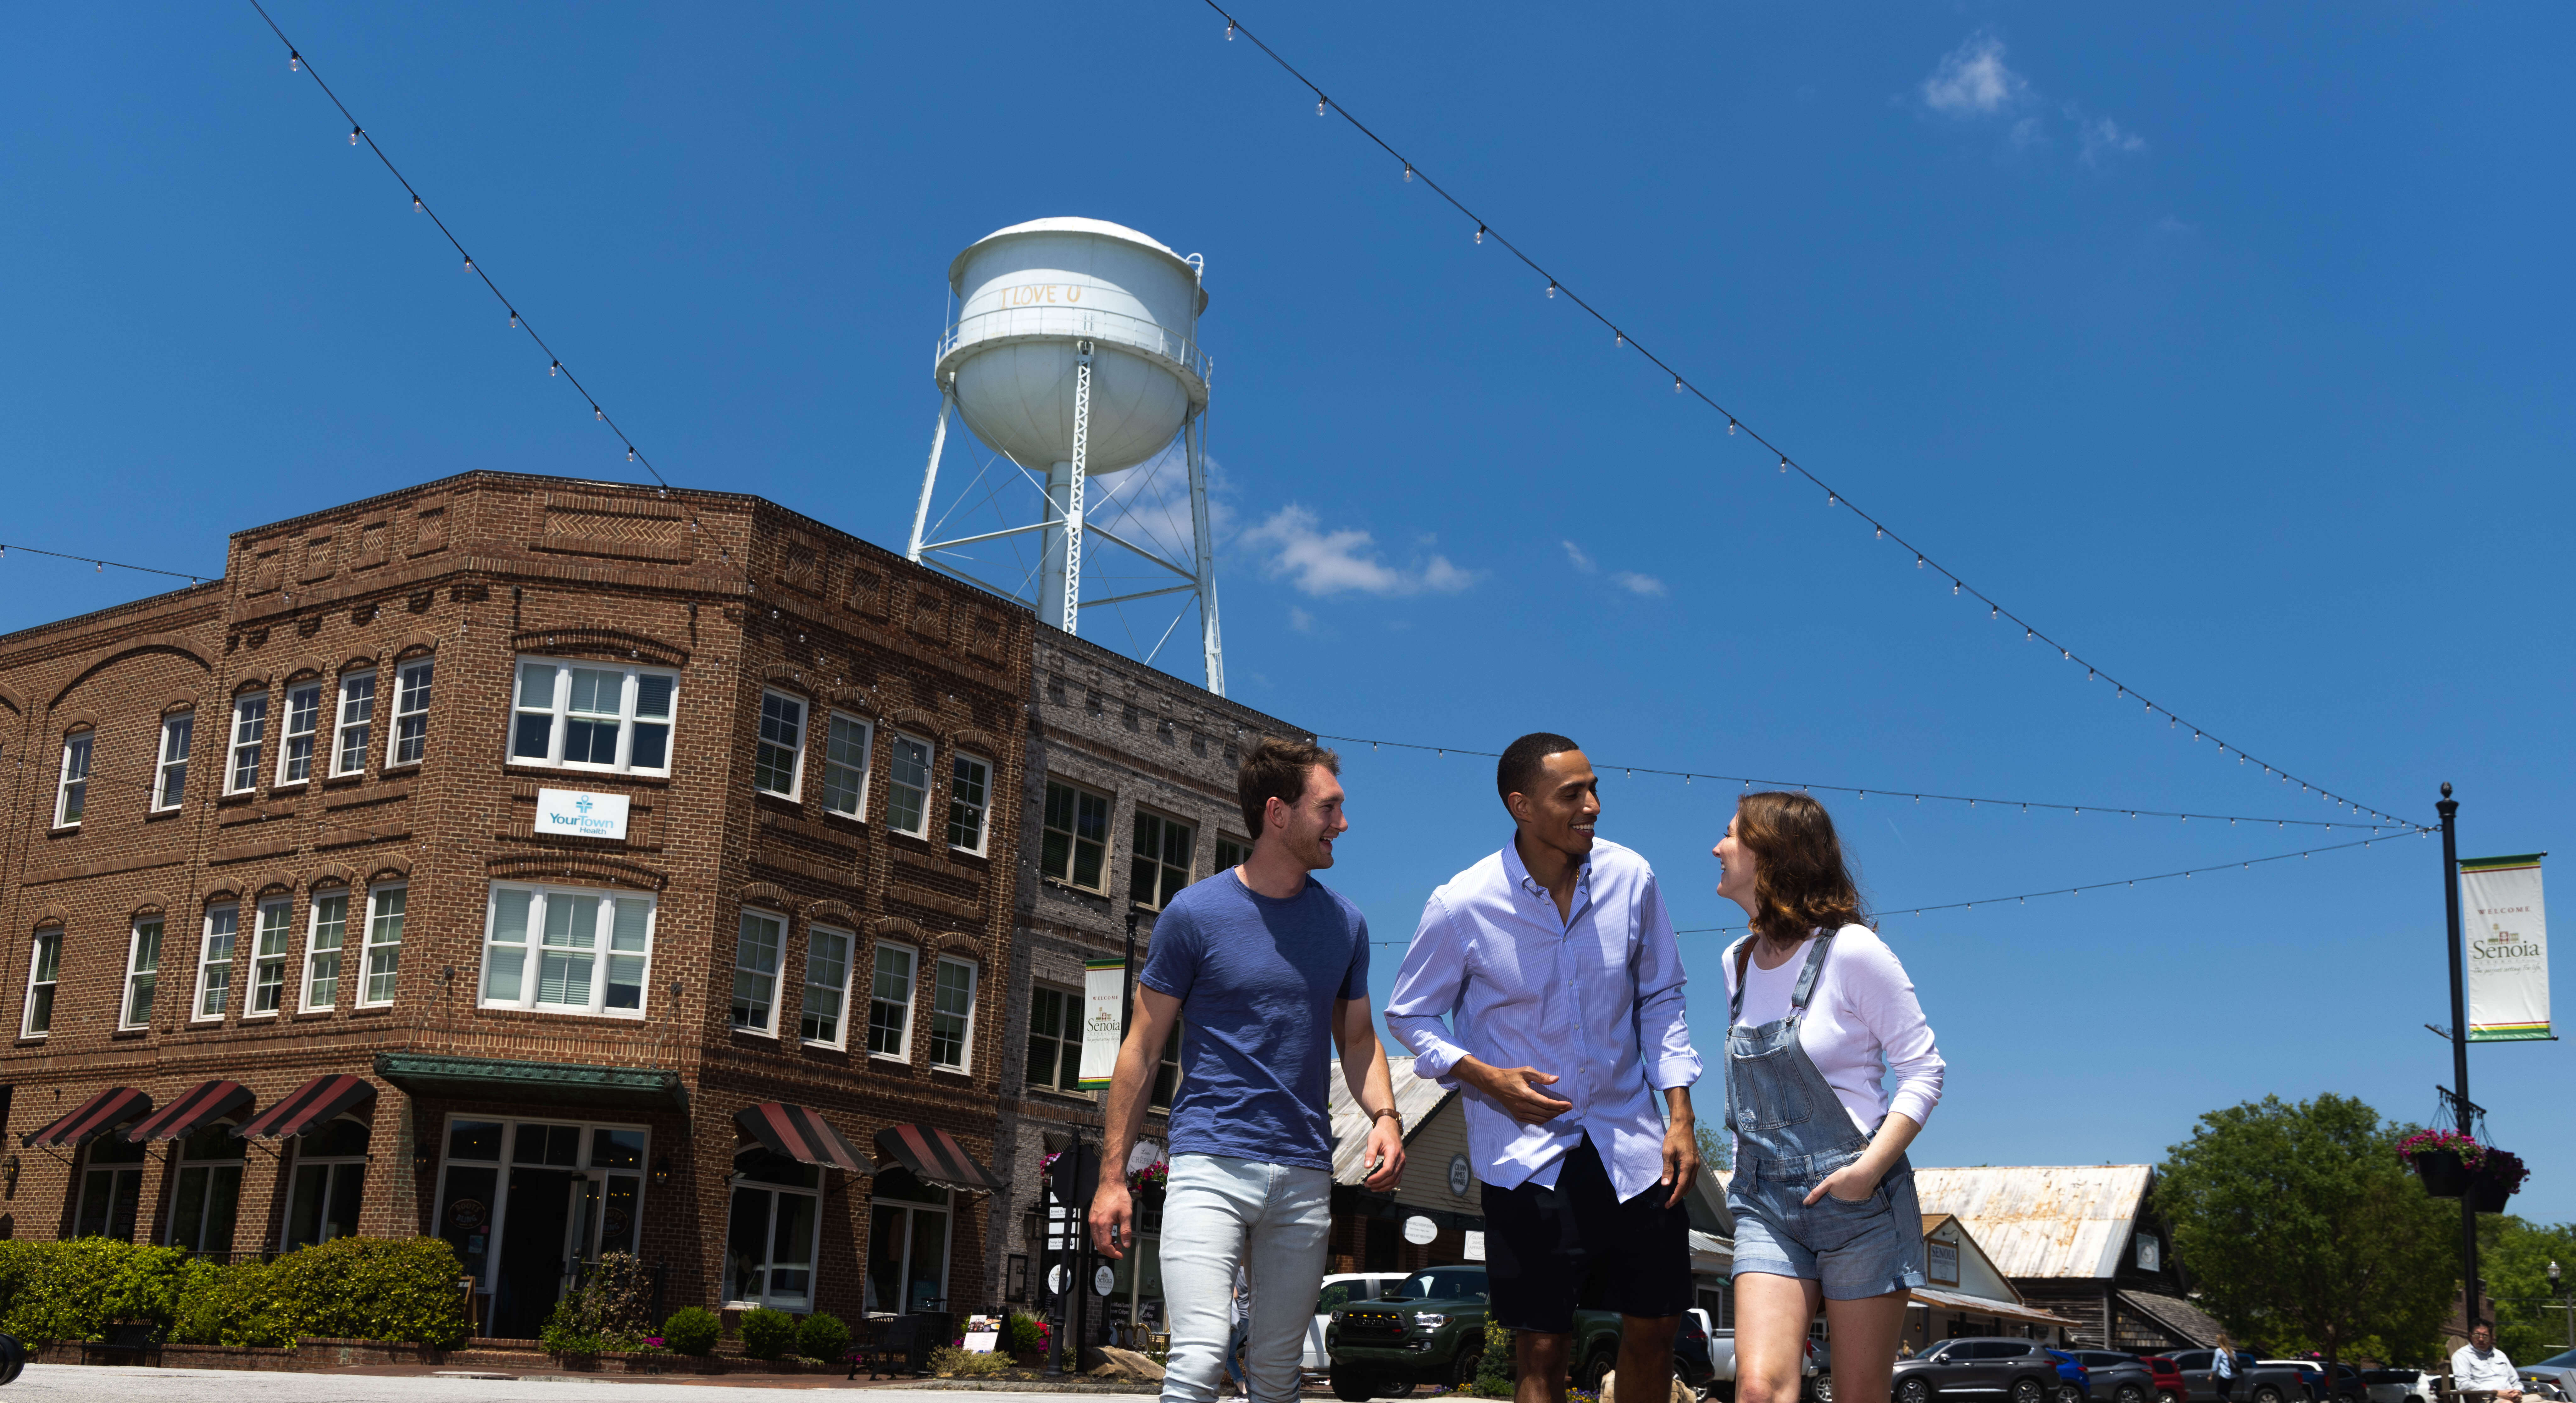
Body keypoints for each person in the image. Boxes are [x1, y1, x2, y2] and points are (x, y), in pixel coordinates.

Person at [1386, 733, 1702, 1403]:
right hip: (1528, 1158)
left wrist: (1680, 1112)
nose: (1592, 805)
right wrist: (1482, 1076)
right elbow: (1409, 1014)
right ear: (1521, 805)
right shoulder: (1462, 903)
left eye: (1594, 789)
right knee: (1541, 1349)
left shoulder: (1633, 878)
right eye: (1572, 794)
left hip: (1635, 1147)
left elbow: (1662, 995)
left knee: (1656, 1328)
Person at [1092, 736, 1407, 1403]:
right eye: (1329, 807)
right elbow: (1141, 1048)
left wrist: (1385, 1115)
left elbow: (1356, 1040)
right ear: (1277, 812)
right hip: (1210, 1161)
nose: (1342, 823)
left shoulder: (1345, 925)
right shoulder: (1194, 914)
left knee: (1274, 1373)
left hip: (1302, 1173)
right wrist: (1111, 1177)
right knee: (1201, 1356)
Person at [1716, 791, 1945, 1403]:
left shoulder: (1852, 951)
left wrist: (1866, 1172)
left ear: (1773, 853)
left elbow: (1924, 1071)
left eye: (1731, 835)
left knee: (1857, 1395)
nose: (1717, 847)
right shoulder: (1734, 964)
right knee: (1760, 1387)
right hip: (1764, 1202)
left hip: (1859, 1207)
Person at [2453, 1323, 2523, 1403]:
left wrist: (2518, 1392)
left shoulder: (2500, 1355)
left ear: (2492, 1338)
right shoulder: (2462, 1355)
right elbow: (2463, 1384)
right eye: (2477, 1335)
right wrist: (2495, 1393)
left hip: (2512, 1397)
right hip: (2488, 1400)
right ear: (2471, 1336)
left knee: (2537, 1399)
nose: (2481, 1339)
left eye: (2485, 1336)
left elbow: (2515, 1381)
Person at [2210, 1334, 2237, 1403]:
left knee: (2220, 1393)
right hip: (2233, 1376)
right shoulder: (2232, 1351)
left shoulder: (2219, 1351)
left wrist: (2211, 1376)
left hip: (2225, 1375)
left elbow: (2215, 1364)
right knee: (2227, 1394)